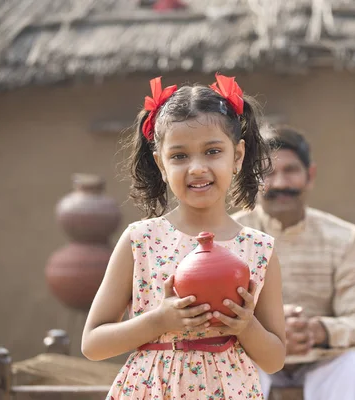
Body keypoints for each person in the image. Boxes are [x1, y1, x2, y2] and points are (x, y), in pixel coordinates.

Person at [81, 74, 286, 399]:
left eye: (212, 151)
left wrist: (245, 326)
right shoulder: (140, 241)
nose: (197, 167)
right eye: (179, 156)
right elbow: (92, 344)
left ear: (237, 156)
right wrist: (158, 320)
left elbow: (275, 359)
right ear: (160, 163)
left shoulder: (258, 249)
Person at [233, 125, 355, 400]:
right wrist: (268, 332)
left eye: (290, 171)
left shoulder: (346, 238)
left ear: (310, 175)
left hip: (323, 359)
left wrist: (317, 331)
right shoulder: (230, 235)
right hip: (251, 355)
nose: (280, 184)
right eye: (268, 173)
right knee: (225, 364)